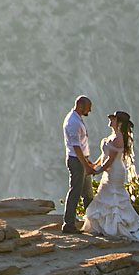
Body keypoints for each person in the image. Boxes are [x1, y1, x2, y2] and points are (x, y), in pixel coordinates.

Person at [81, 110, 139, 241]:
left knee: (114, 197)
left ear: (119, 123)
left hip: (115, 171)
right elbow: (104, 155)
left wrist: (97, 171)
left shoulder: (118, 138)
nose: (110, 119)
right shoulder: (112, 136)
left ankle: (116, 227)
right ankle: (106, 226)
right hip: (109, 171)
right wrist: (94, 165)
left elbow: (110, 160)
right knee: (107, 196)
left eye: (113, 118)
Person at [61, 95, 96, 233]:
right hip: (77, 161)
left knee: (87, 193)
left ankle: (92, 222)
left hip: (80, 159)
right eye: (88, 107)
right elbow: (76, 147)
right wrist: (86, 165)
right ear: (80, 105)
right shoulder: (73, 122)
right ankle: (68, 224)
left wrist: (87, 161)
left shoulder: (76, 118)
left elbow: (80, 145)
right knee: (75, 191)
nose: (90, 110)